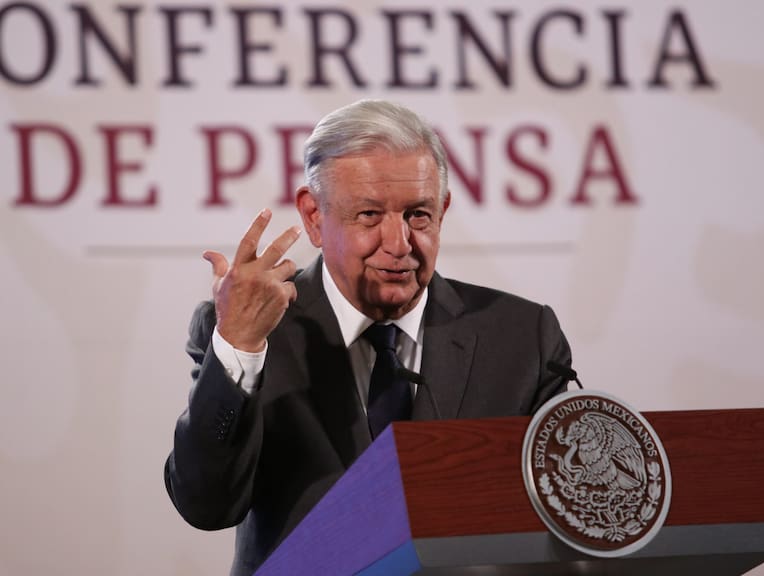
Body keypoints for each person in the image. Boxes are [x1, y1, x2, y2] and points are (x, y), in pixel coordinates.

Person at [164, 99, 573, 576]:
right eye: (369, 215)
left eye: (418, 215)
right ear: (314, 217)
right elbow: (206, 505)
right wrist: (240, 346)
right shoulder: (253, 330)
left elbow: (567, 511)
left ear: (442, 210)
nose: (398, 244)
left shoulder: (522, 336)